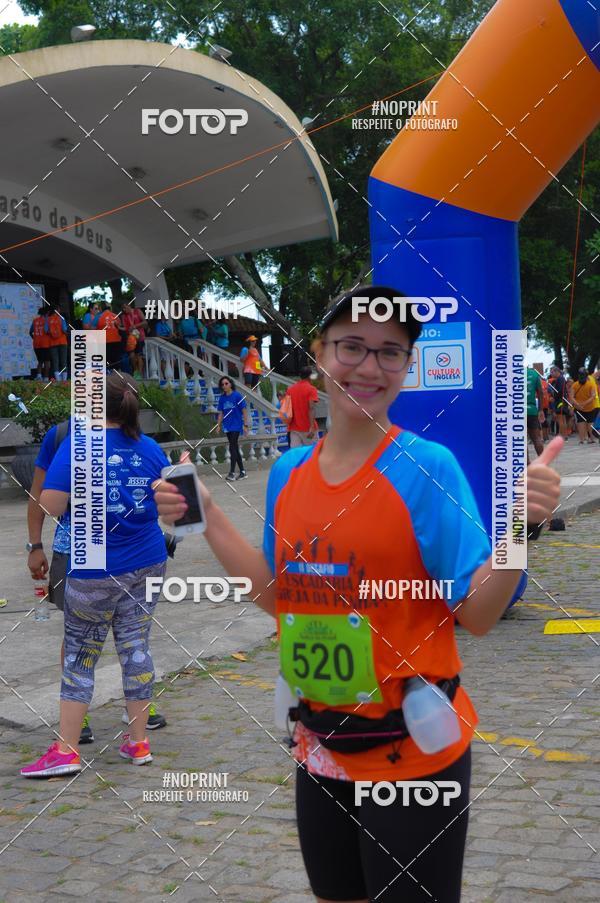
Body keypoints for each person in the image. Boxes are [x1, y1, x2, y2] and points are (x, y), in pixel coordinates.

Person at [154, 284, 563, 903]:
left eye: (390, 352)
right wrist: (208, 515)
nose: (369, 367)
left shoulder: (428, 469)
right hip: (320, 747)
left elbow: (479, 615)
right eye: (352, 346)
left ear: (407, 366)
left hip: (412, 755)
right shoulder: (289, 473)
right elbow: (279, 598)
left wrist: (516, 533)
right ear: (320, 353)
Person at [21, 373, 171, 778]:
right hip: (148, 560)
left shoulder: (78, 445)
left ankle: (67, 749)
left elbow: (51, 504)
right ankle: (138, 742)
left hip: (94, 566)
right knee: (136, 646)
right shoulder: (151, 447)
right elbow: (173, 503)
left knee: (80, 654)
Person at [216, 376, 250, 481]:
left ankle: (231, 473)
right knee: (234, 447)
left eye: (226, 383)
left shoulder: (237, 396)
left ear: (230, 384)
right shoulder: (222, 398)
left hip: (236, 425)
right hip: (227, 426)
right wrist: (218, 425)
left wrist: (245, 425)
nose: (224, 386)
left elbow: (244, 411)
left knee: (232, 446)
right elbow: (221, 413)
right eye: (222, 384)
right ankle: (243, 472)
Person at [286, 365, 319, 448]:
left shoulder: (290, 389)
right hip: (308, 428)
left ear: (300, 376)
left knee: (295, 454)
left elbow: (287, 408)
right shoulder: (311, 389)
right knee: (312, 453)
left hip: (294, 428)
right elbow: (311, 408)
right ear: (310, 376)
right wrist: (312, 427)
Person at [571, 368, 600, 444]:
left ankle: (582, 440)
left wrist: (578, 404)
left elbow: (571, 397)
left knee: (581, 422)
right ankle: (592, 439)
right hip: (590, 407)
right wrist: (583, 404)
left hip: (579, 408)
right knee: (590, 423)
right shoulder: (591, 384)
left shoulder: (575, 385)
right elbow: (593, 396)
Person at [121, 300, 147, 376]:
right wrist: (118, 327)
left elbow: (145, 322)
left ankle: (140, 373)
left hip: (140, 336)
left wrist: (135, 326)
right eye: (123, 308)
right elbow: (125, 328)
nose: (124, 310)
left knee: (139, 355)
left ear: (129, 305)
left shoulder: (137, 311)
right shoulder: (124, 316)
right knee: (132, 355)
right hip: (131, 338)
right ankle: (135, 371)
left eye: (125, 307)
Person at [96, 302, 124, 370]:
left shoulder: (98, 317)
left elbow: (92, 328)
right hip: (117, 340)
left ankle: (108, 373)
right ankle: (117, 373)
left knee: (106, 360)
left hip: (105, 341)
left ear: (101, 308)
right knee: (116, 360)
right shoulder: (116, 316)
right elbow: (120, 327)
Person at [526, 366, 544, 457]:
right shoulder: (534, 374)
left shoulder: (510, 374)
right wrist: (540, 409)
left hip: (516, 411)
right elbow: (540, 392)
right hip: (531, 410)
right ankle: (543, 462)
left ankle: (527, 463)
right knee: (537, 438)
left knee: (520, 441)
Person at [47, 306, 69, 381]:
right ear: (57, 310)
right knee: (63, 361)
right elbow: (64, 329)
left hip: (53, 343)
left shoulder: (48, 319)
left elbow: (46, 330)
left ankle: (58, 379)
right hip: (62, 342)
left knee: (55, 361)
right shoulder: (61, 318)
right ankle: (64, 380)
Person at [29, 306, 51, 380]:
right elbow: (47, 331)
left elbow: (30, 332)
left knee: (40, 361)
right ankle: (46, 378)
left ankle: (39, 376)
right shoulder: (47, 321)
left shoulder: (35, 321)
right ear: (46, 313)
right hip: (45, 344)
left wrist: (35, 338)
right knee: (47, 362)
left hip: (36, 344)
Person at [549, 365, 570, 439]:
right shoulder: (561, 378)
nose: (551, 374)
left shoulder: (560, 379)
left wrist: (554, 397)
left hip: (560, 401)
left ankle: (562, 436)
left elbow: (559, 391)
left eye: (552, 372)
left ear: (557, 371)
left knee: (560, 420)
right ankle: (565, 435)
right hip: (563, 401)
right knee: (563, 420)